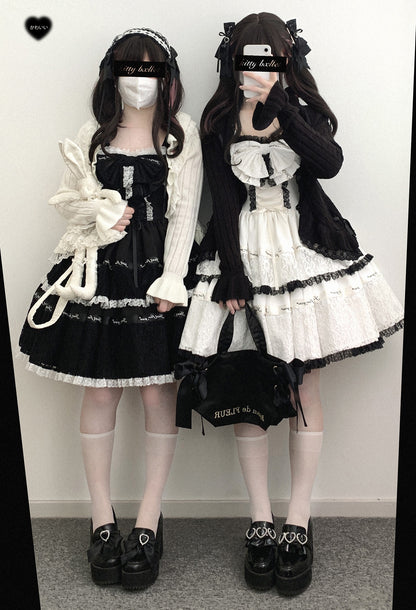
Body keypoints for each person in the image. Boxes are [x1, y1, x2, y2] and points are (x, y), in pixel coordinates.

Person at [177, 13, 404, 596]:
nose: (258, 69)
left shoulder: (304, 113)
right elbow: (220, 200)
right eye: (249, 59)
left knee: (304, 385)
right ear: (233, 62)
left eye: (269, 58)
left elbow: (329, 164)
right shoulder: (218, 121)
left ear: (285, 59)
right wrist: (232, 271)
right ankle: (259, 518)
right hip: (244, 252)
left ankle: (298, 519)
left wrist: (282, 105)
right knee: (250, 382)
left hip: (301, 251)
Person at [18, 27, 203, 590]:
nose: (139, 80)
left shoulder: (180, 135)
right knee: (100, 391)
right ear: (112, 75)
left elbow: (185, 213)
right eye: (130, 69)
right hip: (97, 268)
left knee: (158, 393)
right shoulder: (93, 135)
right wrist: (97, 213)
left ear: (167, 77)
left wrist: (174, 277)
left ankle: (149, 518)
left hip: (156, 273)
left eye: (150, 70)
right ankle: (101, 517)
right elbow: (69, 200)